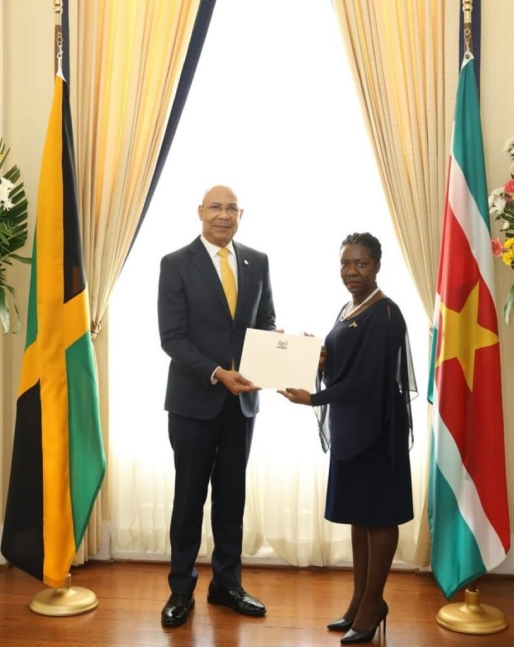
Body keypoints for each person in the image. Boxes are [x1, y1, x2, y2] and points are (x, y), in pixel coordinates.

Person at [279, 232, 416, 645]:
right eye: (345, 263)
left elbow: (368, 379)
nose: (351, 271)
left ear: (377, 266)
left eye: (360, 264)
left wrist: (313, 398)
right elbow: (345, 365)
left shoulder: (386, 312)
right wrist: (318, 358)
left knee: (380, 515)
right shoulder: (348, 307)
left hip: (377, 427)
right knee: (360, 514)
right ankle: (360, 600)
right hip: (351, 425)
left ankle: (373, 604)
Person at [157, 185, 276, 628]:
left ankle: (227, 584)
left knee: (231, 498)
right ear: (200, 212)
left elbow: (265, 322)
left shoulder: (257, 261)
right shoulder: (175, 264)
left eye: (231, 208)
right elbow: (172, 338)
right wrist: (216, 372)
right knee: (189, 499)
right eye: (215, 207)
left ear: (241, 214)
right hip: (193, 403)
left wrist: (278, 354)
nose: (223, 215)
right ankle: (180, 590)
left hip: (241, 404)